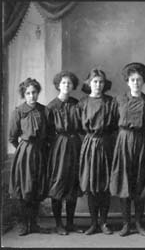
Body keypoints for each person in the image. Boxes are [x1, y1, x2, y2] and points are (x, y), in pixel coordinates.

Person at [110, 63, 145, 236]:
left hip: (142, 142)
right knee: (124, 182)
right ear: (127, 82)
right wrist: (121, 139)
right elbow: (112, 123)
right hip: (123, 142)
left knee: (140, 182)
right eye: (132, 80)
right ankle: (125, 224)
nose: (136, 83)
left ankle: (138, 223)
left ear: (143, 81)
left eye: (139, 80)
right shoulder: (119, 100)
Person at [77, 68, 116, 235]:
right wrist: (90, 139)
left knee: (105, 184)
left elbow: (115, 124)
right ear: (88, 83)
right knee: (91, 183)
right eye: (94, 82)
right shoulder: (82, 103)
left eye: (100, 82)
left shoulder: (111, 102)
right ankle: (93, 223)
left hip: (106, 143)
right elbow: (78, 127)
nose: (98, 85)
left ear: (104, 84)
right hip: (89, 144)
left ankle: (104, 222)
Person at [9, 78, 50, 236]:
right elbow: (12, 137)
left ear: (38, 93)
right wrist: (24, 149)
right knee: (24, 188)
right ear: (23, 95)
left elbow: (49, 134)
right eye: (28, 93)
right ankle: (23, 224)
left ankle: (34, 224)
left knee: (36, 187)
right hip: (25, 154)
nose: (32, 96)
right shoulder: (18, 111)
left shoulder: (44, 111)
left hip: (40, 152)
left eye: (34, 92)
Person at [47, 71, 83, 235]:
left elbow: (83, 125)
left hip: (75, 144)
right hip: (59, 146)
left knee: (72, 183)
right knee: (59, 182)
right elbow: (46, 132)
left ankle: (70, 223)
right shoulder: (51, 106)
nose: (66, 86)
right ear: (58, 85)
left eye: (69, 83)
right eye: (63, 83)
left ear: (73, 85)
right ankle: (58, 224)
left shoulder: (77, 103)